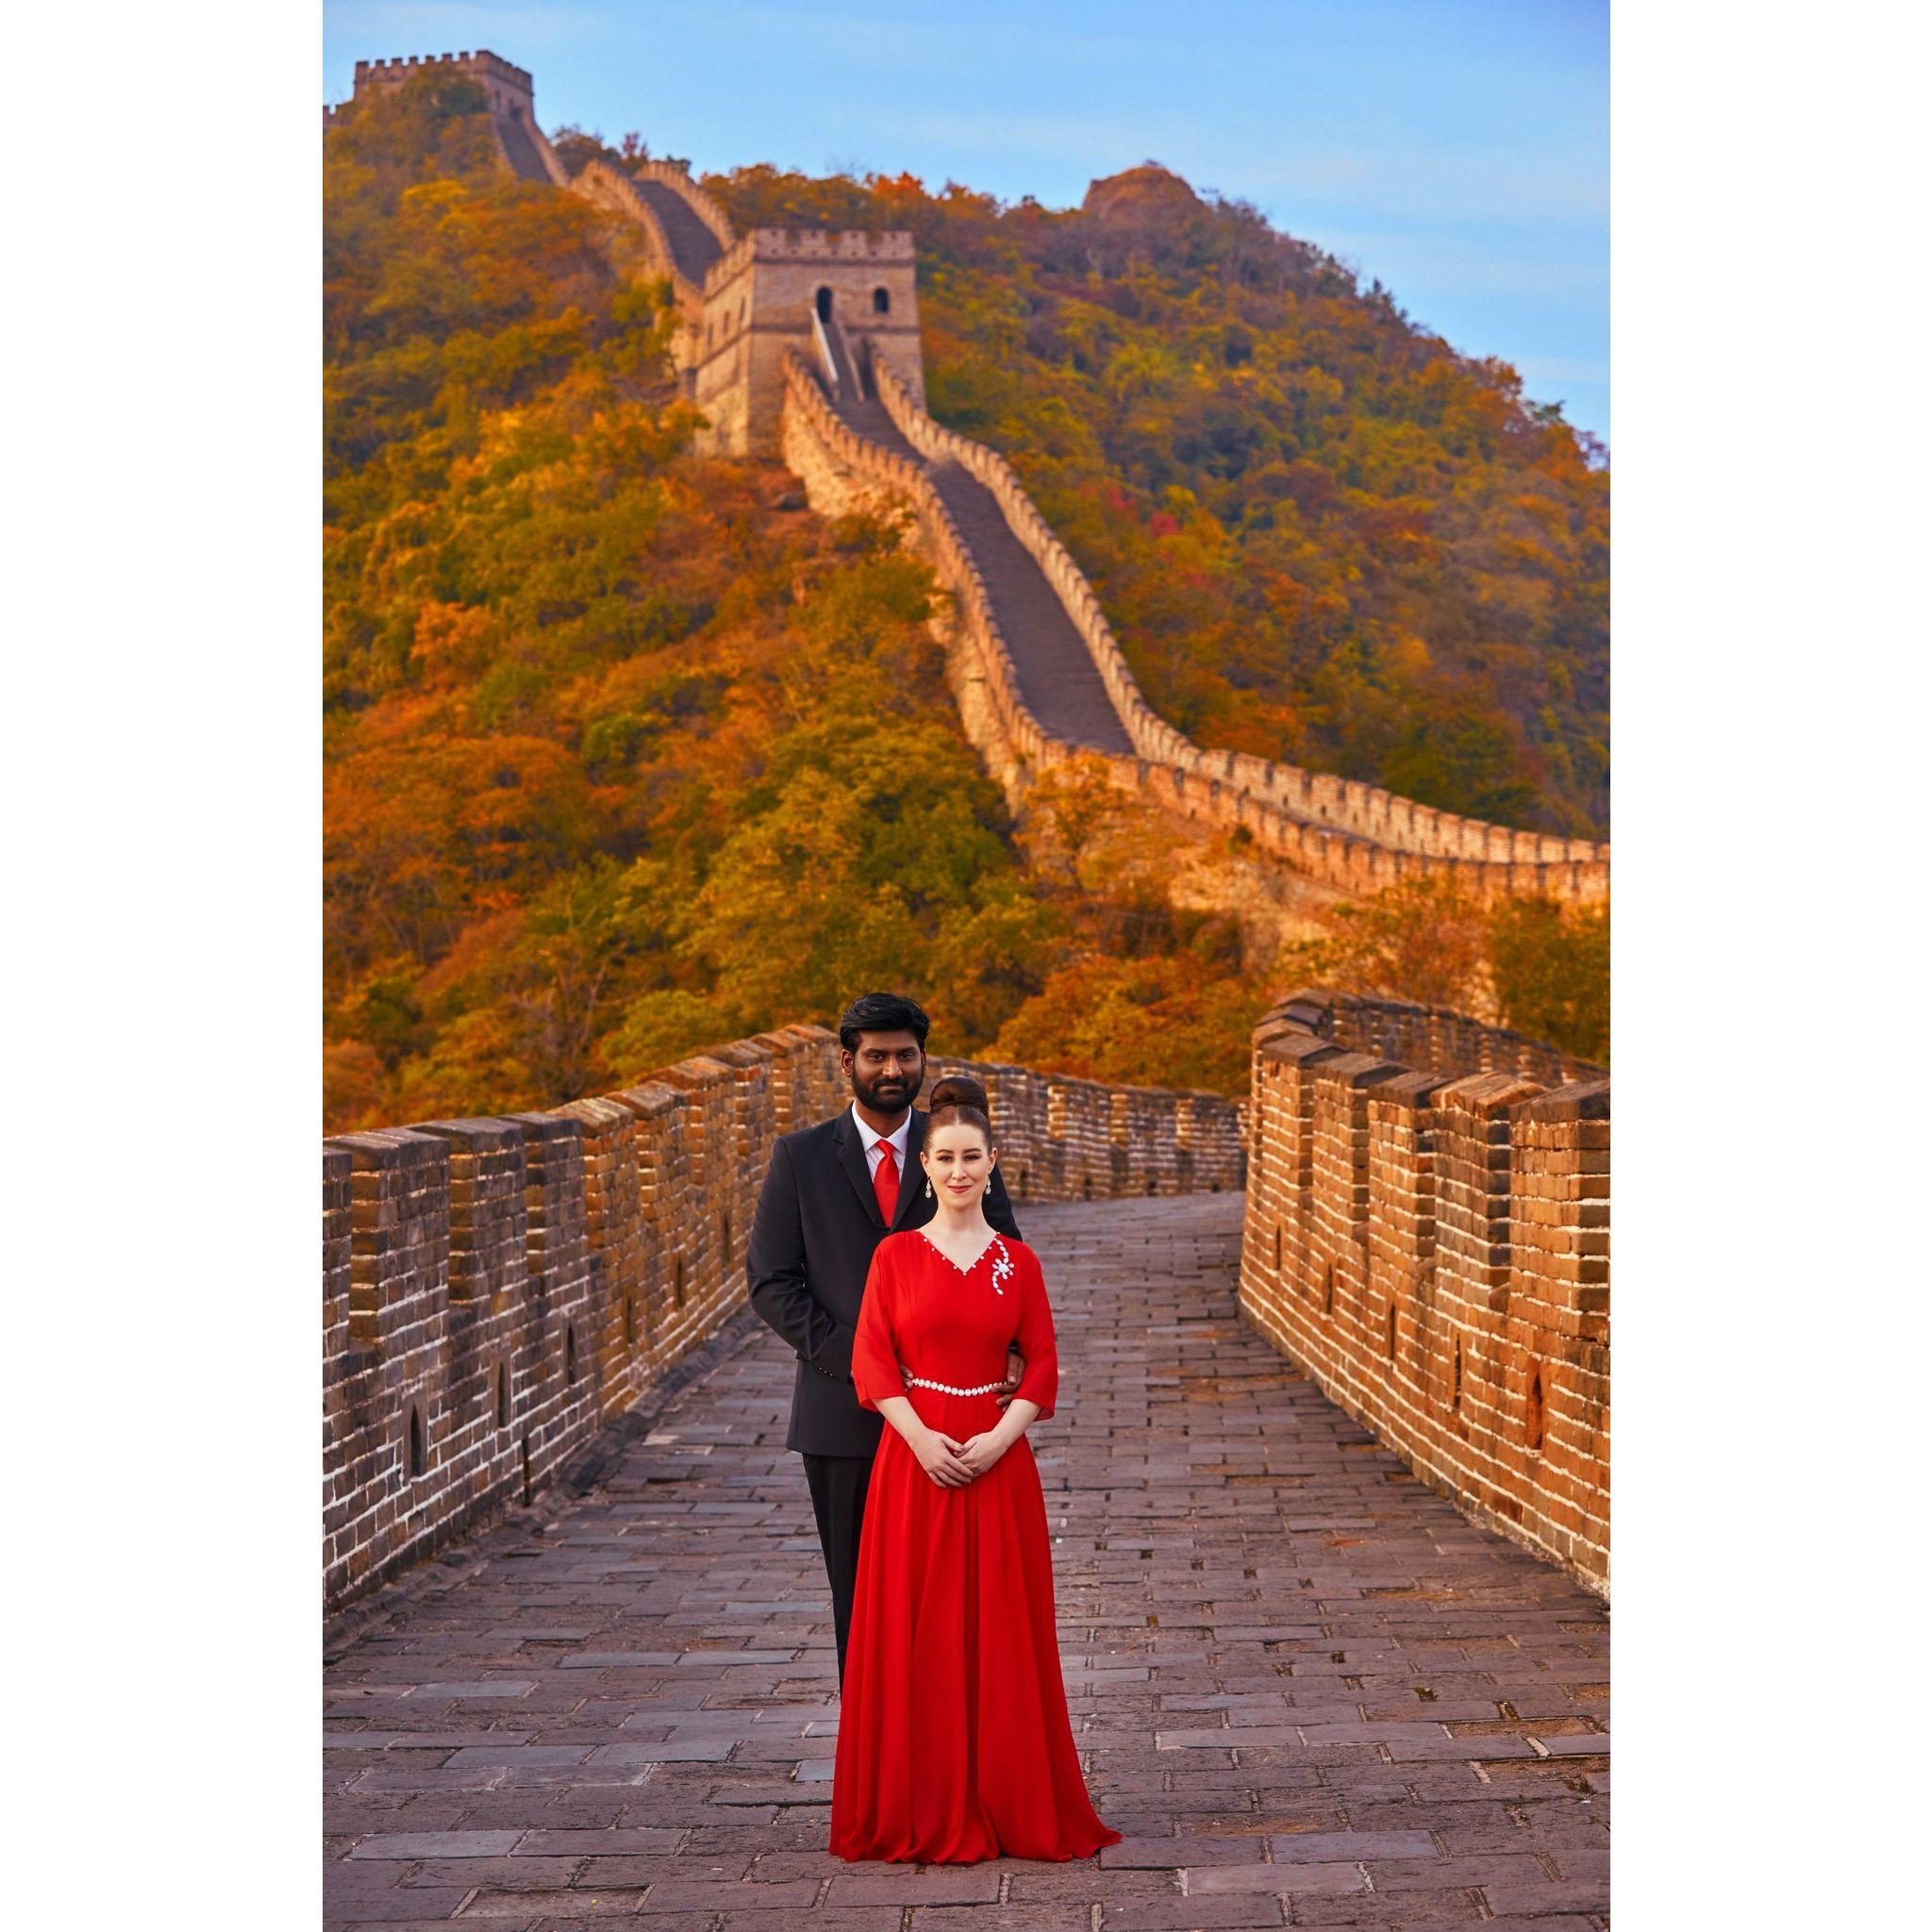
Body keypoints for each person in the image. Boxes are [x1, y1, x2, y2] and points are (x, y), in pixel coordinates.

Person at [829, 1074, 1122, 1863]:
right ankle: (918, 1805)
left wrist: (998, 1440)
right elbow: (871, 1364)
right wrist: (923, 1440)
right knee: (913, 1631)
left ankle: (1007, 1799)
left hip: (998, 1466)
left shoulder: (1017, 1263)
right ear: (924, 1165)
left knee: (999, 1634)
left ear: (993, 1165)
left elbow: (1045, 1368)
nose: (959, 1171)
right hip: (912, 1460)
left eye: (973, 1158)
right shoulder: (893, 1256)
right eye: (945, 1157)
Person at [746, 991, 1024, 1683]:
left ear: (923, 1059)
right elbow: (771, 1282)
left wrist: (1013, 1347)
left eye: (906, 1054)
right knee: (861, 1604)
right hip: (842, 1419)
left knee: (953, 1603)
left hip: (954, 1418)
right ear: (849, 1063)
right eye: (877, 1056)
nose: (892, 1067)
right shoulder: (801, 1158)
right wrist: (864, 1362)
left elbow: (1006, 1260)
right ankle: (873, 1773)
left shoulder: (955, 1151)